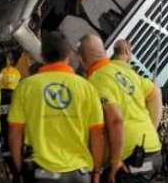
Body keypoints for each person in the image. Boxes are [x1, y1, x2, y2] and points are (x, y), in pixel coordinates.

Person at [8, 31, 105, 183]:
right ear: (70, 55)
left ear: (42, 55)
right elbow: (97, 135)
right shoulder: (86, 87)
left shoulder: (26, 87)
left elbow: (15, 133)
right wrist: (97, 172)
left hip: (43, 174)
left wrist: (19, 170)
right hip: (78, 174)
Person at [78, 34, 163, 183]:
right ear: (104, 51)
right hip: (154, 153)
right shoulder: (124, 70)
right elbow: (155, 92)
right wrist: (149, 128)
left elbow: (116, 119)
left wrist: (115, 160)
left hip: (130, 161)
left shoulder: (94, 82)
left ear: (82, 60)